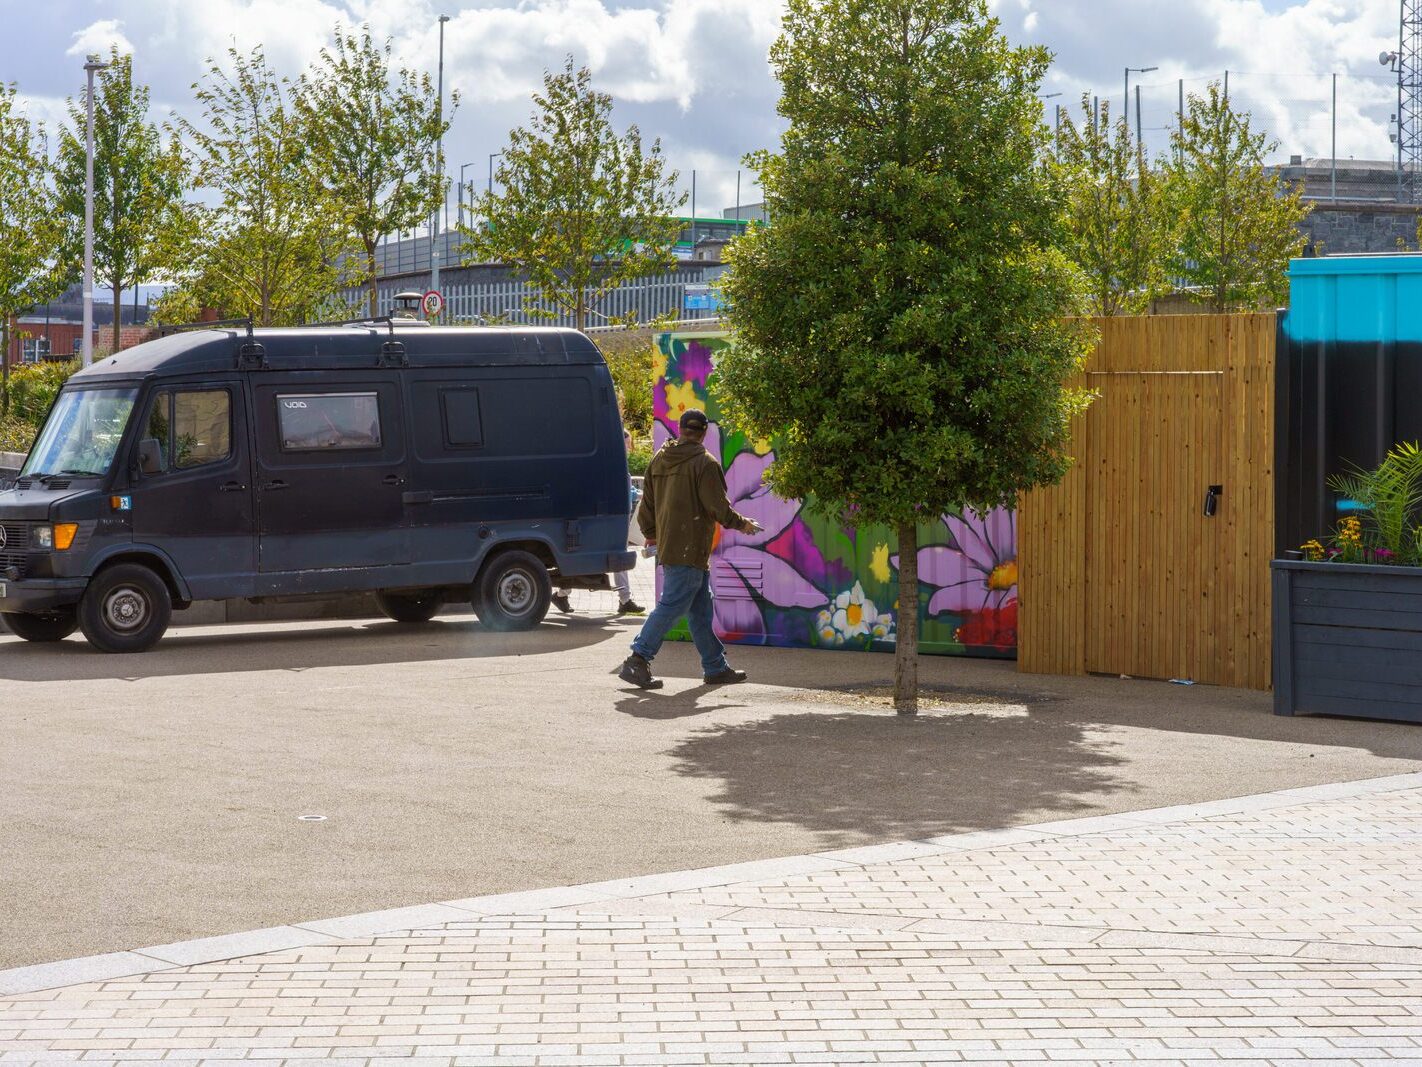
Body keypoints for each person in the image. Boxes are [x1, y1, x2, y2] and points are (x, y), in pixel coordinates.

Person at [618, 408, 761, 690]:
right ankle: (638, 658)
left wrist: (652, 534)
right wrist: (743, 524)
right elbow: (718, 507)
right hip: (691, 548)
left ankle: (715, 667)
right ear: (704, 433)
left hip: (672, 546)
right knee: (671, 607)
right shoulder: (704, 463)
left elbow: (646, 506)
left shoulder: (660, 458)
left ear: (680, 429)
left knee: (699, 612)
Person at [552, 429, 645, 616]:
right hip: (609, 519)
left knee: (616, 558)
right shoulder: (610, 464)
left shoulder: (615, 464)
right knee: (617, 557)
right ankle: (624, 599)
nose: (627, 449)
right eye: (626, 444)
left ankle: (564, 594)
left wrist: (635, 496)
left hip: (616, 518)